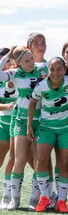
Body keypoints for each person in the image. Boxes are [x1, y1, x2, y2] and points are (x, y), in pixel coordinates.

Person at [27, 57, 68, 212]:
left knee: (64, 163)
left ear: (64, 70)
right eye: (52, 69)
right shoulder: (41, 86)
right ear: (48, 71)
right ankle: (45, 197)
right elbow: (32, 102)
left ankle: (62, 200)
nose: (56, 72)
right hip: (46, 127)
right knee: (42, 160)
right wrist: (29, 125)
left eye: (59, 69)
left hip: (67, 128)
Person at [0, 46, 46, 210]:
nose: (31, 62)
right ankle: (14, 199)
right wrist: (7, 56)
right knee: (18, 160)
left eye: (31, 58)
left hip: (40, 121)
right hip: (21, 120)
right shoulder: (15, 73)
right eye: (26, 60)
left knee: (38, 161)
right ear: (18, 63)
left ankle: (35, 199)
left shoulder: (42, 70)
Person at [0, 48, 17, 209]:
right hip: (3, 124)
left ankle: (48, 193)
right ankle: (5, 196)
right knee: (4, 159)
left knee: (37, 163)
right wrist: (5, 105)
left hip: (22, 124)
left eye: (7, 60)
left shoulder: (19, 75)